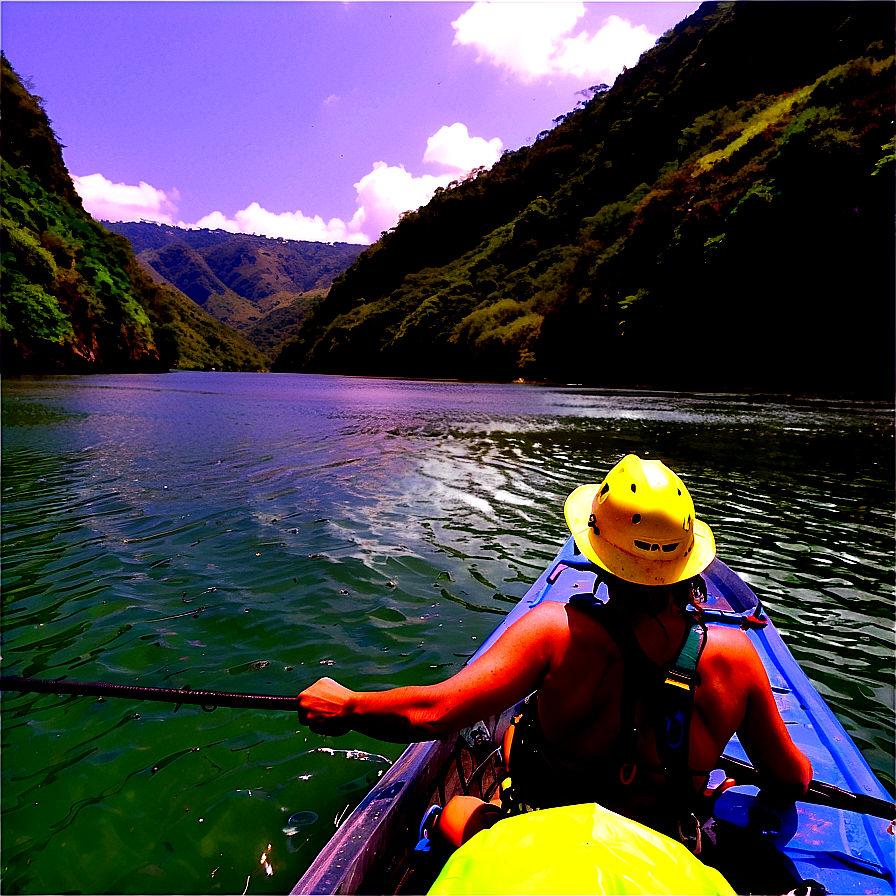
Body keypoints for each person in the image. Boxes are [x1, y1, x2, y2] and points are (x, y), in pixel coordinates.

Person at [297, 454, 812, 842]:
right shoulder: (736, 658)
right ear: (687, 562)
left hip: (546, 839)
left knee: (455, 812)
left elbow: (434, 714)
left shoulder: (553, 631)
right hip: (660, 852)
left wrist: (348, 705)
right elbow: (791, 779)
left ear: (598, 553)